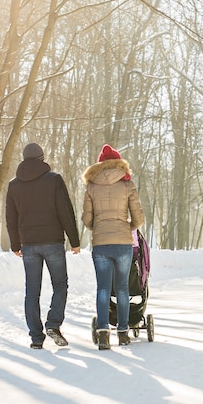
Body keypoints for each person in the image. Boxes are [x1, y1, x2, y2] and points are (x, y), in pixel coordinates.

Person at [6, 143, 80, 349]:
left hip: (29, 245)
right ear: (42, 158)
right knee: (60, 285)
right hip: (53, 242)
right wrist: (74, 240)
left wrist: (15, 244)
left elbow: (10, 218)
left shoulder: (14, 185)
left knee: (32, 291)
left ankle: (36, 338)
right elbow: (65, 211)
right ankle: (53, 324)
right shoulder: (53, 180)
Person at [82, 144, 144, 350]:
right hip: (123, 242)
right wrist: (128, 227)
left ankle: (102, 333)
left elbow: (86, 219)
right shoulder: (127, 184)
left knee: (103, 288)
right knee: (123, 288)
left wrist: (98, 227)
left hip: (101, 243)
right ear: (118, 163)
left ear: (100, 164)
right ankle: (123, 333)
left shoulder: (91, 185)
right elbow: (138, 218)